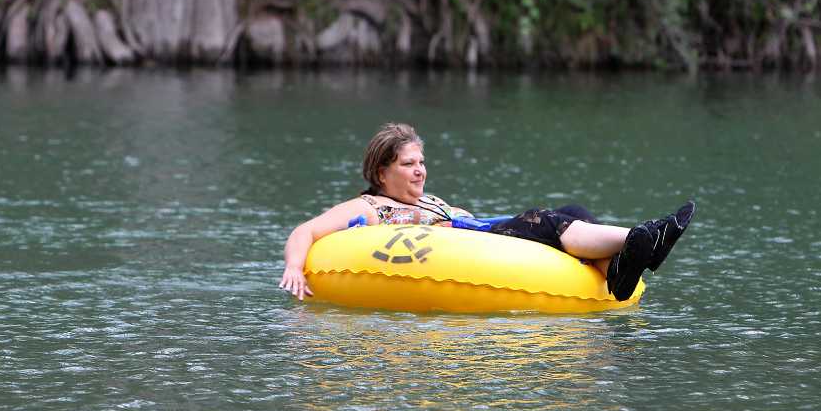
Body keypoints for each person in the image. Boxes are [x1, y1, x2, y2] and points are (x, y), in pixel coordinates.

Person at [279, 122, 695, 303]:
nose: (420, 169)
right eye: (408, 164)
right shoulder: (369, 207)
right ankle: (641, 238)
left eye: (421, 161)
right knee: (546, 218)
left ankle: (619, 272)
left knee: (573, 210)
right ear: (382, 172)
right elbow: (306, 230)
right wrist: (296, 267)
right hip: (479, 244)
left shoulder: (428, 201)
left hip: (484, 234)